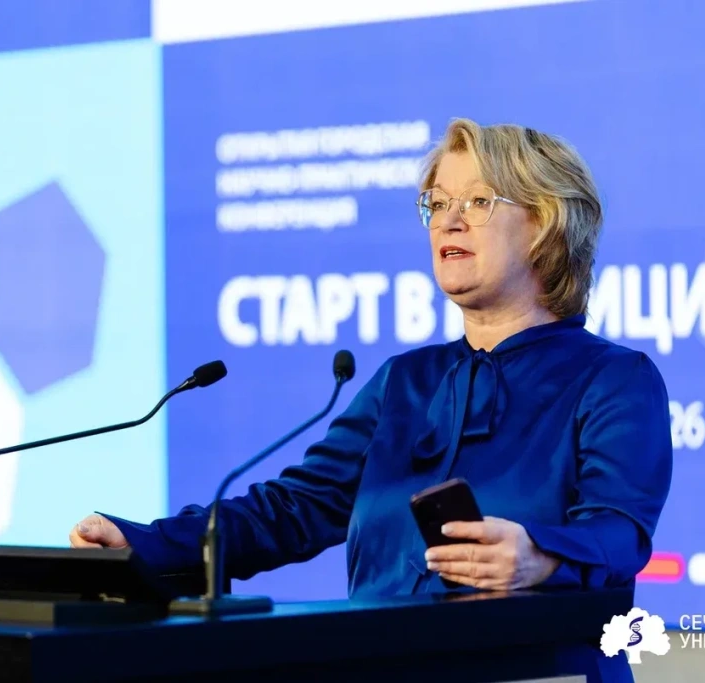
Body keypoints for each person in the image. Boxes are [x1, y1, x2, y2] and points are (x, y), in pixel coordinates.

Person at [70, 118, 672, 681]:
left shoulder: (613, 379)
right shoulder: (404, 382)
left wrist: (541, 556)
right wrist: (144, 543)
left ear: (546, 224)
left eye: (477, 202)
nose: (448, 221)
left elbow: (620, 532)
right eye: (437, 203)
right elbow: (292, 509)